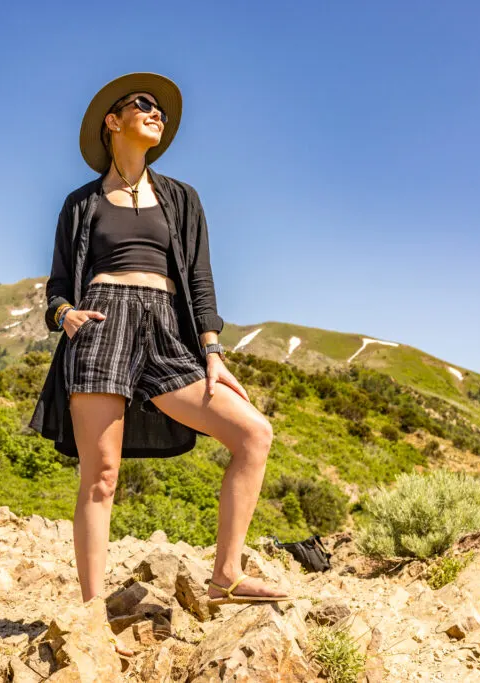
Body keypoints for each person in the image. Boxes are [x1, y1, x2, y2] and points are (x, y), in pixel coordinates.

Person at [28, 73, 288, 647]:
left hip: (169, 330)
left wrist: (213, 351)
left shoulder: (181, 197)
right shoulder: (82, 203)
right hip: (101, 326)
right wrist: (65, 315)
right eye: (141, 105)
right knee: (101, 476)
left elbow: (198, 278)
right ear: (112, 122)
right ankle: (93, 613)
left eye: (161, 110)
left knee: (253, 434)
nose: (156, 113)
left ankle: (226, 574)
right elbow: (57, 288)